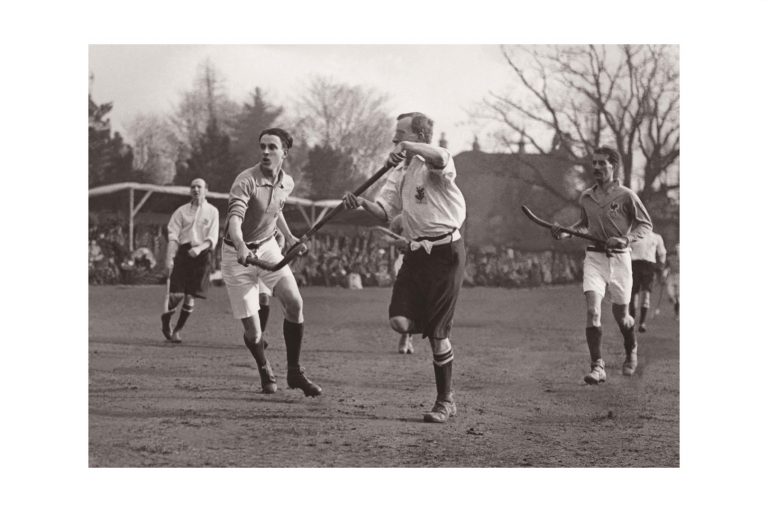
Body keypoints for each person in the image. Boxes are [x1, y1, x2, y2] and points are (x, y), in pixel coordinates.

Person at [343, 112, 466, 423]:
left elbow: (439, 155)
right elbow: (384, 211)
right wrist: (361, 203)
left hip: (445, 253)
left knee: (438, 335)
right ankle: (433, 323)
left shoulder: (436, 162)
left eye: (401, 134)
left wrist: (411, 149)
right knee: (399, 322)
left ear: (419, 137)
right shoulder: (398, 170)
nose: (394, 140)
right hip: (415, 253)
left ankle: (445, 400)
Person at [221, 127, 321, 397]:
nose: (265, 151)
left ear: (284, 153)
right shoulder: (245, 181)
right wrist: (241, 246)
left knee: (295, 303)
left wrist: (289, 237)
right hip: (236, 256)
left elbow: (276, 210)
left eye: (272, 147)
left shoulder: (286, 182)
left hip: (267, 248)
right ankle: (264, 366)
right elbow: (234, 220)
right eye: (262, 146)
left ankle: (294, 372)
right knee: (254, 334)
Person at [551, 146, 652, 383]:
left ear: (613, 166)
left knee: (623, 317)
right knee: (592, 310)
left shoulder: (627, 195)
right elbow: (584, 225)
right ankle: (597, 366)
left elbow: (645, 225)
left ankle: (631, 348)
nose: (596, 167)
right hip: (595, 259)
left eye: (601, 163)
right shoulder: (587, 196)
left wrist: (625, 239)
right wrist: (564, 233)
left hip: (620, 259)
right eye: (593, 163)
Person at [161, 178, 219, 343]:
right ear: (189, 190)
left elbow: (212, 237)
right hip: (183, 253)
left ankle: (177, 331)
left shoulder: (213, 211)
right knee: (176, 294)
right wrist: (169, 258)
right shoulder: (181, 211)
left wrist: (199, 249)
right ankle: (166, 321)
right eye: (193, 187)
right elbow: (172, 235)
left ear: (206, 190)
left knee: (190, 296)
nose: (196, 189)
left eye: (199, 187)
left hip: (202, 255)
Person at [629, 231, 666, 332]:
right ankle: (631, 322)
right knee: (633, 294)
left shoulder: (656, 237)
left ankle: (642, 322)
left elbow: (662, 253)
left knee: (646, 293)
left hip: (649, 267)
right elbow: (625, 250)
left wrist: (661, 269)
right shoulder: (632, 235)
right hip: (634, 266)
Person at [665, 243, 680, 319]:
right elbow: (667, 267)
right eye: (677, 249)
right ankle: (674, 301)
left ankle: (677, 314)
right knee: (670, 294)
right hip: (671, 276)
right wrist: (664, 274)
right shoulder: (670, 258)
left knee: (678, 296)